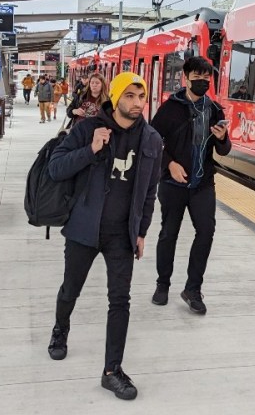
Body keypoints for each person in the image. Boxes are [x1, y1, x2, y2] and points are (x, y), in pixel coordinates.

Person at [46, 72, 163, 401]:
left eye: (141, 96)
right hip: (84, 228)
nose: (137, 103)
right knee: (71, 288)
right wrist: (91, 149)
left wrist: (141, 232)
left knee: (120, 300)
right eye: (130, 96)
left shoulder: (151, 140)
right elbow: (56, 168)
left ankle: (112, 371)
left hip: (121, 235)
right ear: (115, 97)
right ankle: (60, 330)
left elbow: (150, 192)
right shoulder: (87, 128)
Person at [150, 56, 232, 315]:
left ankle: (193, 289)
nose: (203, 82)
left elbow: (224, 150)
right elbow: (152, 142)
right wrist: (169, 164)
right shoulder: (169, 108)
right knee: (168, 234)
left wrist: (223, 138)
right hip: (173, 184)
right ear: (185, 77)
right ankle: (162, 284)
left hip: (203, 183)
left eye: (207, 78)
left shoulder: (215, 109)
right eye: (197, 77)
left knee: (206, 232)